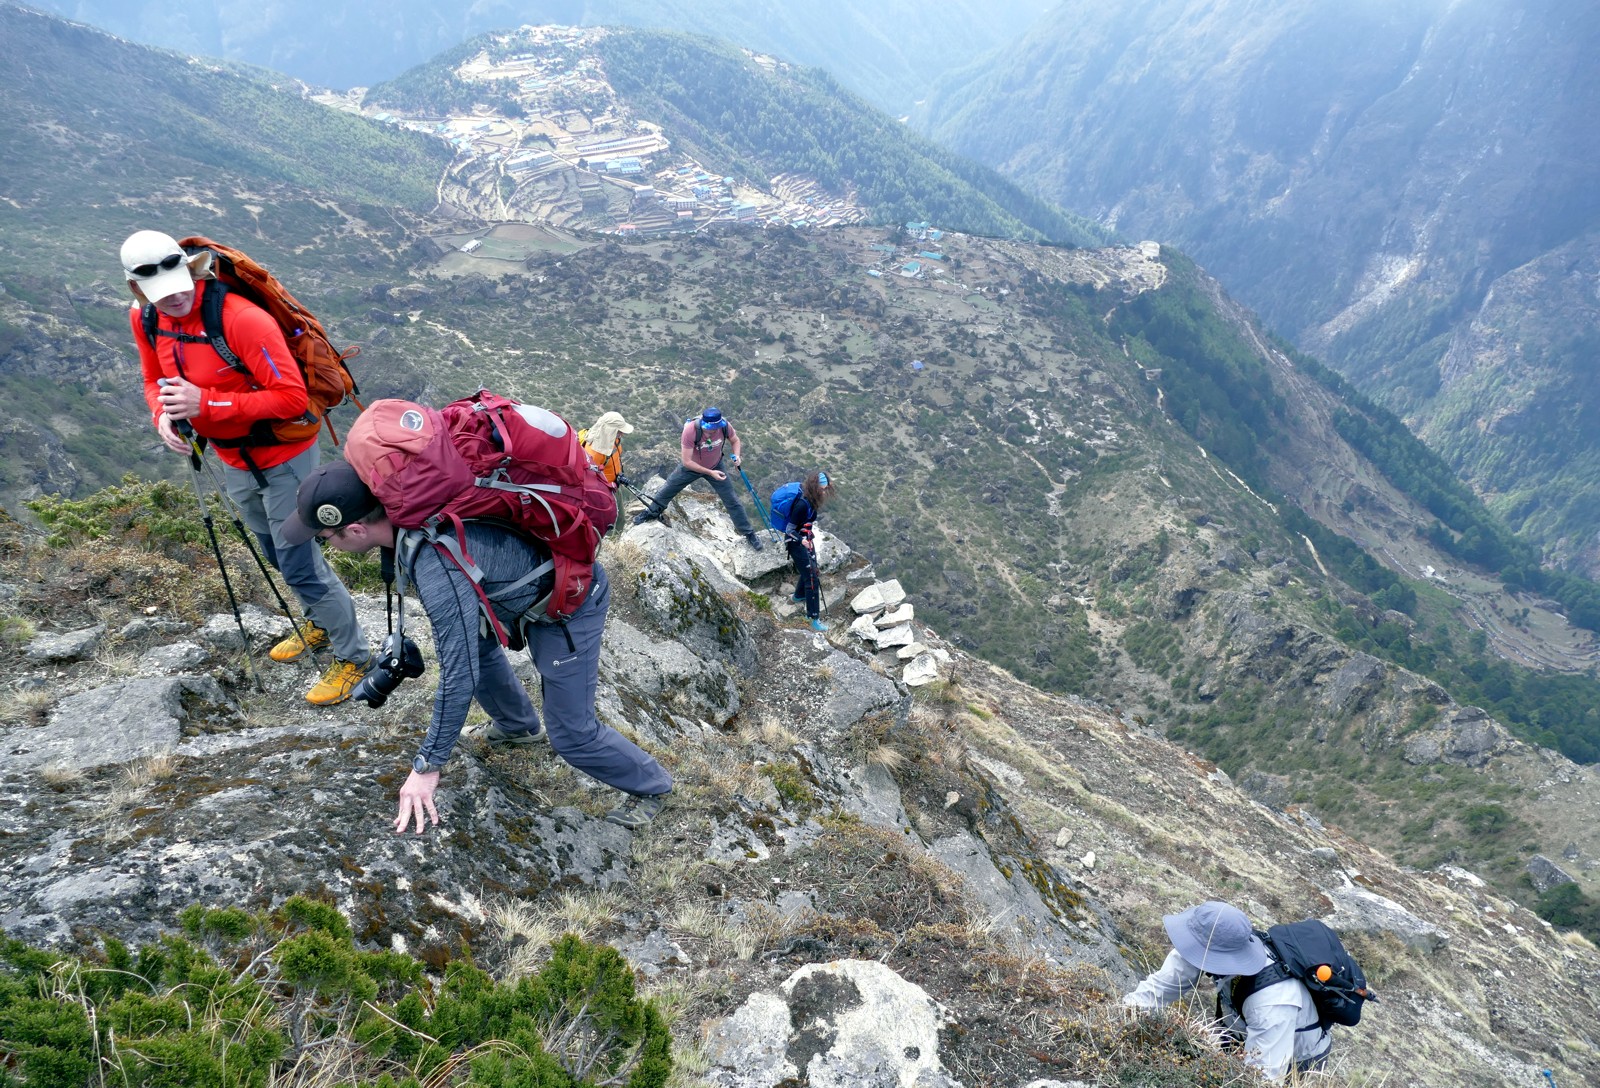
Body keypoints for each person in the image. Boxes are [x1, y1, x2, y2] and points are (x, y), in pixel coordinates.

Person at [283, 460, 673, 833]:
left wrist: (427, 766)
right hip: (524, 591)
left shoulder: (436, 562)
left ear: (353, 530)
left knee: (572, 735)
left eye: (323, 538)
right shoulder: (409, 512)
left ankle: (651, 785)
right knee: (477, 645)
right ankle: (517, 728)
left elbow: (459, 673)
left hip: (570, 602)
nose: (324, 546)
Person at [122, 229, 371, 705]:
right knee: (274, 551)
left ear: (190, 270)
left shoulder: (242, 320)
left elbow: (293, 398)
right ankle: (321, 624)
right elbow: (153, 377)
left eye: (179, 284)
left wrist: (206, 404)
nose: (173, 298)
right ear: (136, 288)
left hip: (286, 457)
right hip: (233, 456)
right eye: (159, 292)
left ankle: (356, 658)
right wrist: (162, 414)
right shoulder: (146, 317)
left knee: (299, 566)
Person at [1123, 901, 1333, 1082]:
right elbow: (1160, 987)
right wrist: (1121, 1016)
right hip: (1242, 1031)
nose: (1189, 951)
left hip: (1298, 1058)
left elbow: (1261, 1078)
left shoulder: (1272, 1002)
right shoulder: (1211, 940)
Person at [631, 407, 763, 550]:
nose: (711, 432)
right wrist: (709, 472)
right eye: (708, 429)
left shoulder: (725, 426)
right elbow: (687, 461)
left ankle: (749, 533)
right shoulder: (690, 430)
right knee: (668, 488)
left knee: (732, 500)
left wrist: (737, 456)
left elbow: (735, 440)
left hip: (715, 465)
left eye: (714, 429)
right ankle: (651, 512)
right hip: (691, 467)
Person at [778, 471, 836, 632]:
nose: (824, 492)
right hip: (796, 543)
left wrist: (807, 536)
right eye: (822, 489)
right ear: (814, 487)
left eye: (825, 489)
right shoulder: (802, 504)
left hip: (805, 540)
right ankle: (812, 618)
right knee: (812, 579)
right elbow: (789, 530)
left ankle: (798, 596)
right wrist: (802, 540)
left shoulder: (811, 501)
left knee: (810, 571)